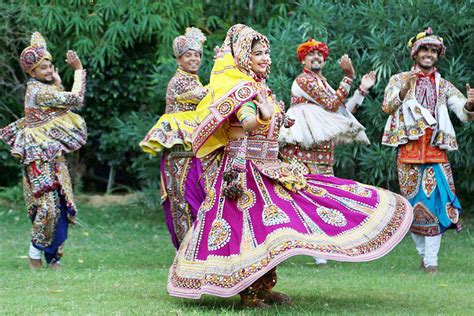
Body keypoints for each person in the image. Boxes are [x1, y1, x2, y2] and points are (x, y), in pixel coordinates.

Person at [161, 24, 413, 308]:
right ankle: (248, 293)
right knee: (249, 230)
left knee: (272, 229)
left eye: (267, 52)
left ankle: (264, 288)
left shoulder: (259, 86)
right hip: (242, 171)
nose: (266, 58)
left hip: (267, 167)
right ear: (244, 56)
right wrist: (264, 116)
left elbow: (270, 122)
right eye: (258, 54)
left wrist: (280, 119)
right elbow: (244, 125)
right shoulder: (241, 88)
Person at [381, 27, 474, 273]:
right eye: (425, 49)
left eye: (434, 50)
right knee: (414, 210)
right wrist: (404, 90)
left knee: (438, 206)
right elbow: (387, 106)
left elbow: (462, 112)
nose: (429, 54)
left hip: (436, 154)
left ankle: (432, 262)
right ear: (415, 52)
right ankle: (423, 256)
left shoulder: (443, 85)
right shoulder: (399, 79)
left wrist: (471, 104)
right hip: (408, 155)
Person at [279, 39, 376, 266]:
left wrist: (361, 90)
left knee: (322, 197)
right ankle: (312, 250)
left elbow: (342, 113)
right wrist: (348, 77)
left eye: (319, 55)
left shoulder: (322, 83)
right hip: (302, 150)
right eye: (311, 54)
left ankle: (321, 249)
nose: (316, 58)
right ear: (303, 59)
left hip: (322, 152)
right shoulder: (304, 80)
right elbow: (333, 105)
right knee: (303, 196)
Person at [0, 32, 87, 268]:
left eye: (50, 66)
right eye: (43, 68)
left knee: (60, 203)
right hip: (39, 158)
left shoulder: (45, 88)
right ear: (32, 72)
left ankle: (54, 258)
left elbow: (59, 106)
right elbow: (76, 99)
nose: (48, 71)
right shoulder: (39, 91)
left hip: (53, 156)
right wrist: (78, 70)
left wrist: (57, 81)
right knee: (48, 207)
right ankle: (34, 255)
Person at [140, 27, 217, 249]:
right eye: (188, 55)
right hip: (180, 155)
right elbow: (209, 98)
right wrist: (225, 68)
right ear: (179, 58)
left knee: (196, 201)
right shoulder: (182, 82)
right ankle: (189, 251)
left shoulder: (193, 79)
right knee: (184, 202)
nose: (194, 59)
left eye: (197, 55)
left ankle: (196, 250)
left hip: (190, 153)